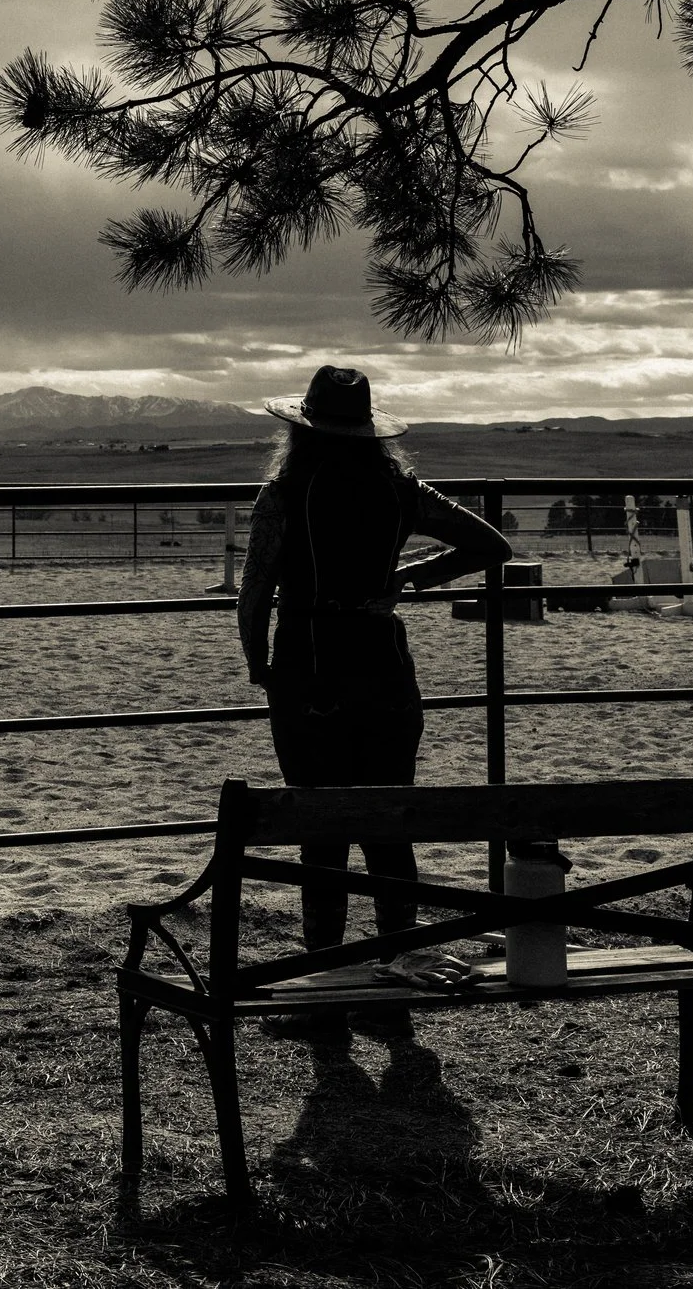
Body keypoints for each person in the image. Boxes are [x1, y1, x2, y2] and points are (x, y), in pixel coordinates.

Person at [238, 366, 510, 1021]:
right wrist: (409, 579)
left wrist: (259, 665)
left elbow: (254, 595)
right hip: (385, 666)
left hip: (308, 664)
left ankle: (323, 984)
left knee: (321, 832)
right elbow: (490, 544)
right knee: (390, 824)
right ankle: (399, 971)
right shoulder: (400, 488)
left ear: (302, 427)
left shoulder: (285, 492)